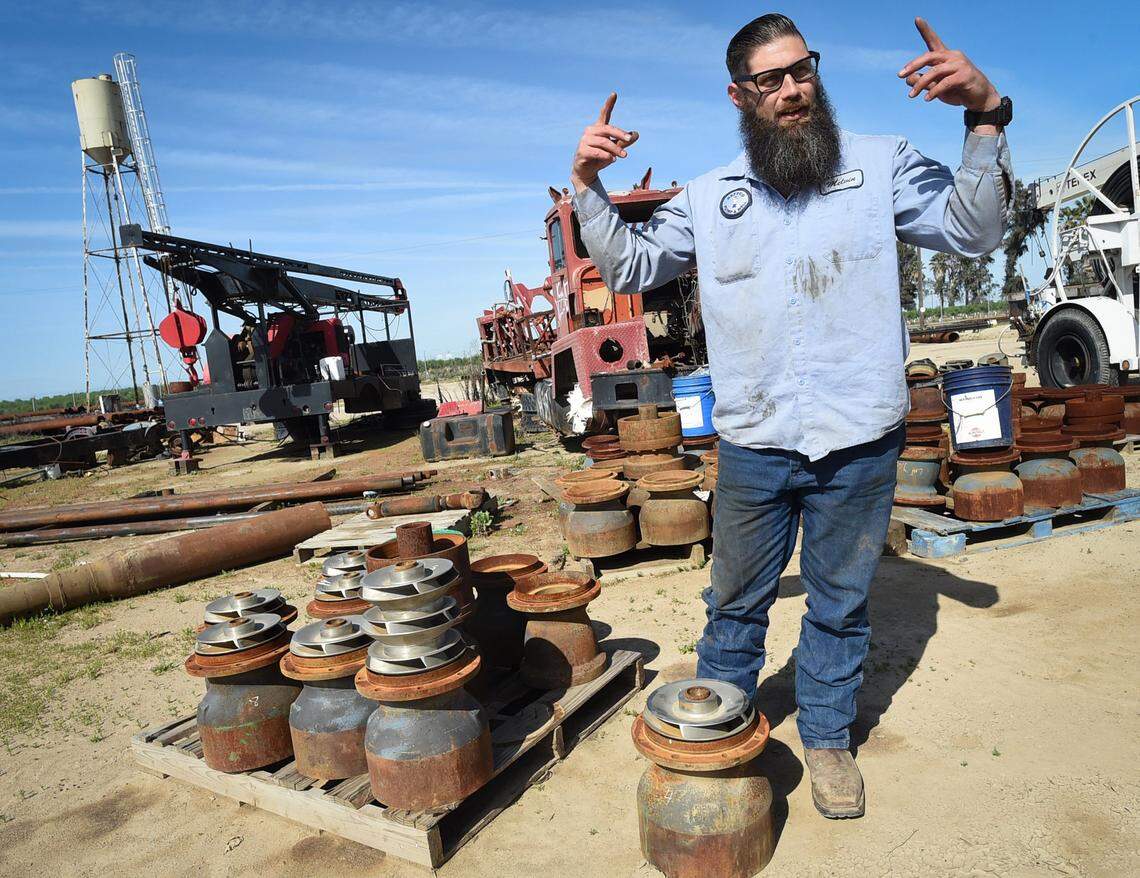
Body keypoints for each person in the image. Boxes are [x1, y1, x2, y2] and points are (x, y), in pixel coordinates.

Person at [569, 13, 1011, 819]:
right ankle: (720, 730)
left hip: (860, 439)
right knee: (735, 602)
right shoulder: (709, 197)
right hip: (755, 443)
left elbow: (974, 232)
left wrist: (983, 116)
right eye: (770, 81)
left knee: (840, 604)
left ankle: (830, 739)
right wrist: (589, 189)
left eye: (801, 70)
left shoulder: (881, 166)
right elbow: (631, 263)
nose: (792, 89)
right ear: (741, 96)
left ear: (815, 71)